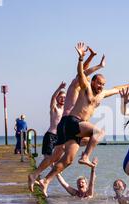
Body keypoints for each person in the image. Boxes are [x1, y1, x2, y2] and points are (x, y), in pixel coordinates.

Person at [36, 42, 129, 197]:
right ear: (93, 82)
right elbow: (81, 74)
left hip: (75, 128)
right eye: (99, 83)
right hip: (73, 121)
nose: (101, 86)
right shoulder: (85, 87)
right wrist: (82, 59)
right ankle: (85, 156)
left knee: (67, 160)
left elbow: (116, 89)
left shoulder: (102, 94)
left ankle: (45, 181)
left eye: (103, 84)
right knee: (98, 131)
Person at [28, 45, 104, 191]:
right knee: (58, 156)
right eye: (87, 80)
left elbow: (83, 73)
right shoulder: (75, 86)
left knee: (59, 156)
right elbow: (82, 72)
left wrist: (91, 58)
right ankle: (42, 176)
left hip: (67, 128)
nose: (87, 83)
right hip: (66, 126)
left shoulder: (82, 93)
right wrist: (95, 63)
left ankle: (38, 176)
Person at [27, 82, 66, 192]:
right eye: (61, 97)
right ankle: (39, 179)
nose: (63, 99)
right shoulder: (54, 108)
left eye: (64, 98)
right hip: (50, 136)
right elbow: (52, 97)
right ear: (58, 98)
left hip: (60, 138)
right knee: (48, 159)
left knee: (57, 160)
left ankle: (41, 180)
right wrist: (59, 88)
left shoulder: (66, 110)